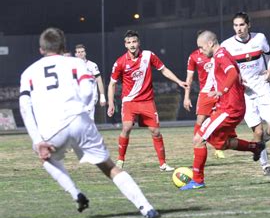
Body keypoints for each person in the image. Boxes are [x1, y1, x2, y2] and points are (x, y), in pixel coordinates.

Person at [19, 27, 158, 218]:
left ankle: (76, 193)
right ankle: (146, 207)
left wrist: (37, 140)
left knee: (47, 158)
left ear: (41, 49)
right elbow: (87, 90)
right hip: (79, 121)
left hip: (51, 129)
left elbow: (25, 108)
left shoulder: (29, 73)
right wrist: (80, 111)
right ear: (63, 47)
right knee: (109, 167)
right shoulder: (76, 63)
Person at [180, 30, 266, 190]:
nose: (201, 51)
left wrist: (223, 91)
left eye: (201, 47)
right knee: (221, 144)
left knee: (198, 139)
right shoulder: (223, 54)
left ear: (210, 43)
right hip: (231, 107)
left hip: (229, 108)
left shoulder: (220, 56)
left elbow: (232, 73)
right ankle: (255, 147)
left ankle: (197, 181)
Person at [107, 30, 187, 171]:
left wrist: (178, 81)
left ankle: (162, 164)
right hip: (129, 101)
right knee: (126, 127)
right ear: (125, 45)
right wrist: (111, 103)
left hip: (147, 101)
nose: (132, 45)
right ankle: (120, 160)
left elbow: (163, 69)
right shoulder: (120, 62)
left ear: (139, 43)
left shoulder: (148, 55)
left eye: (134, 42)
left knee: (155, 132)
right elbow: (112, 84)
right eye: (129, 42)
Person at [220, 12, 270, 176]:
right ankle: (265, 165)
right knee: (258, 132)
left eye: (241, 25)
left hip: (262, 87)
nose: (238, 29)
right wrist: (236, 80)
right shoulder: (227, 45)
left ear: (248, 25)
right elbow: (223, 69)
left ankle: (258, 145)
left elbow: (269, 55)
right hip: (244, 93)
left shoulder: (260, 38)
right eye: (235, 25)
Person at [183, 35, 225, 159]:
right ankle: (198, 145)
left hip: (220, 92)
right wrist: (186, 97)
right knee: (200, 121)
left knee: (221, 122)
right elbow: (189, 78)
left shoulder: (219, 53)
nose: (201, 48)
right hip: (205, 94)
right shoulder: (194, 56)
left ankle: (219, 147)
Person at [75, 44, 107, 120]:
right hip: (78, 97)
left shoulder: (92, 65)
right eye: (78, 52)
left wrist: (102, 96)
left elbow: (99, 80)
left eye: (82, 51)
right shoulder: (73, 66)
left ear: (85, 53)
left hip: (90, 97)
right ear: (75, 54)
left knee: (89, 119)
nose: (80, 53)